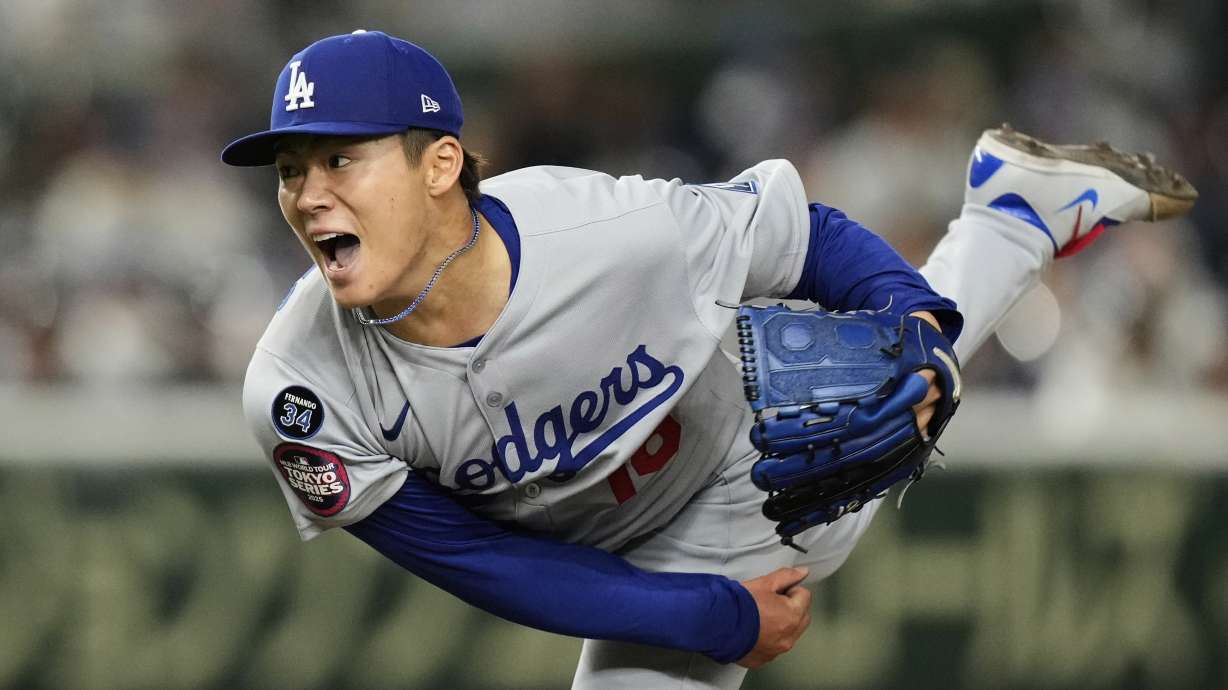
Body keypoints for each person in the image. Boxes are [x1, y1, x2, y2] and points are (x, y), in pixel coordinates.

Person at [221, 30, 1196, 689]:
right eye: (291, 170)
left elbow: (804, 236)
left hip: (746, 471)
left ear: (440, 163)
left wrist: (918, 329)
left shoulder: (606, 232)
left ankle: (1011, 222)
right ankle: (1016, 215)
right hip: (602, 553)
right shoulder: (301, 390)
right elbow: (477, 559)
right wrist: (709, 619)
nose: (308, 194)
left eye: (340, 159)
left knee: (893, 378)